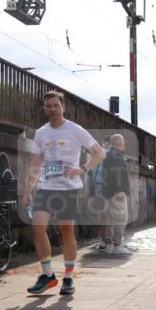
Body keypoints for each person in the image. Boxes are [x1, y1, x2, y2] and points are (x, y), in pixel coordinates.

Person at [23, 91, 105, 295]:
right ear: (44, 108)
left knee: (66, 231)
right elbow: (36, 162)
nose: (52, 109)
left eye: (55, 105)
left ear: (63, 107)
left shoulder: (75, 130)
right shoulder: (41, 132)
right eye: (48, 106)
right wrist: (27, 190)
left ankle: (68, 278)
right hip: (45, 188)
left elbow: (99, 153)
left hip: (68, 189)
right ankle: (48, 275)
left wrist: (82, 169)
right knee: (37, 228)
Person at [101, 134, 131, 255]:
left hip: (107, 192)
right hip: (117, 192)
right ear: (120, 143)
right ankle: (117, 245)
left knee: (110, 218)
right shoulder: (117, 156)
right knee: (121, 219)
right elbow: (117, 174)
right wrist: (119, 190)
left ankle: (109, 245)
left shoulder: (107, 155)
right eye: (123, 142)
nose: (124, 145)